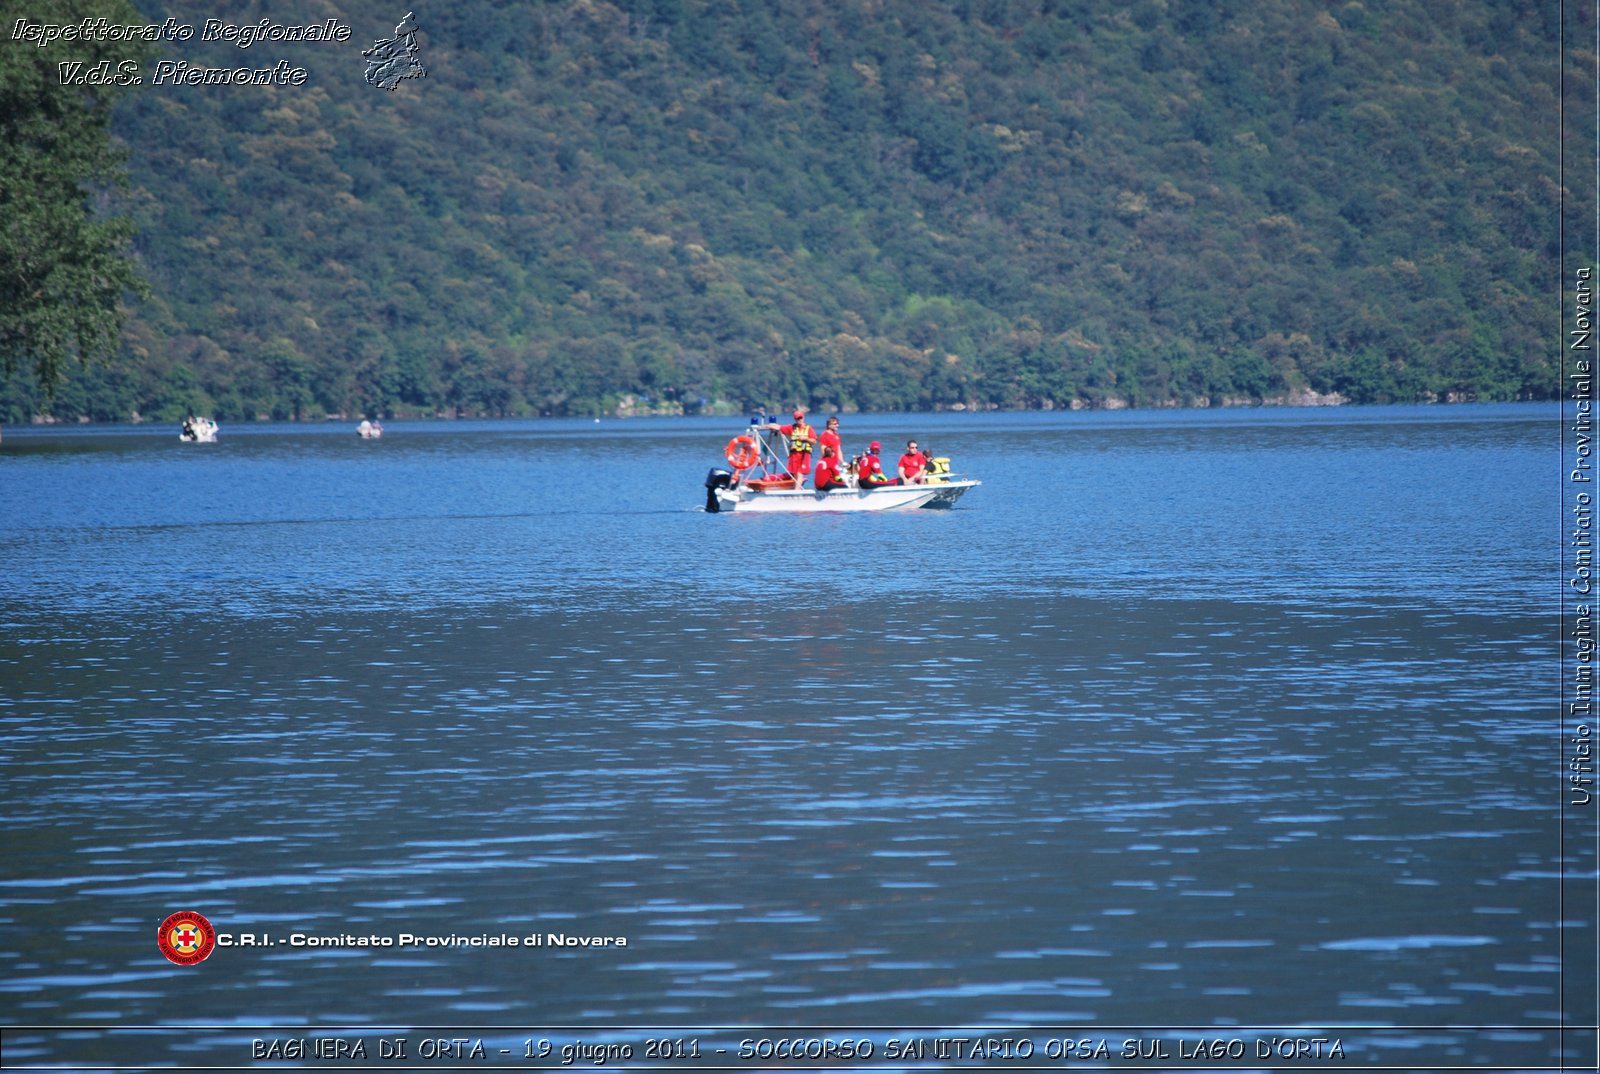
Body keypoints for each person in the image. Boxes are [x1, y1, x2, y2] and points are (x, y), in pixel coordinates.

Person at [763, 409, 816, 482]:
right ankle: (796, 489)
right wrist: (766, 426)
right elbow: (779, 427)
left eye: (801, 418)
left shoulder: (809, 428)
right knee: (795, 474)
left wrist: (805, 439)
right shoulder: (792, 428)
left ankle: (797, 490)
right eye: (798, 418)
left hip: (804, 454)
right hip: (794, 455)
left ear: (803, 418)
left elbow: (814, 441)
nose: (800, 420)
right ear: (795, 419)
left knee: (800, 473)